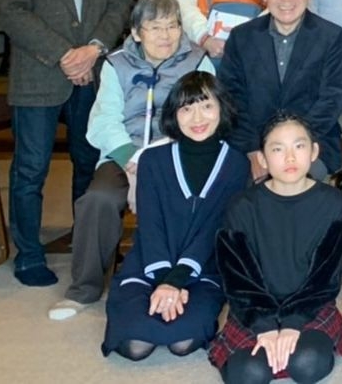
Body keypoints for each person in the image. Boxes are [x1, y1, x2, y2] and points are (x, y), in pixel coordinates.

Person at [0, 0, 132, 288]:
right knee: (30, 169)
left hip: (93, 73)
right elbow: (12, 10)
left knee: (89, 164)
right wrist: (64, 55)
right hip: (39, 74)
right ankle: (29, 255)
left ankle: (85, 249)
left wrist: (93, 49)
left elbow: (120, 3)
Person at [52, 0, 211, 320]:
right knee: (98, 199)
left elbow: (208, 117)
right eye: (155, 27)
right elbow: (103, 120)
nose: (165, 36)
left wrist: (158, 161)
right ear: (137, 32)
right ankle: (83, 290)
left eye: (172, 26)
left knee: (191, 201)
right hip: (124, 152)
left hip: (178, 154)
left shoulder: (198, 61)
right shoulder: (117, 63)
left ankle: (180, 281)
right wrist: (133, 161)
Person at [101, 71, 250, 362]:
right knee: (135, 346)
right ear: (174, 114)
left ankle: (182, 299)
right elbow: (150, 226)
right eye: (186, 108)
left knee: (183, 342)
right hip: (148, 264)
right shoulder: (152, 160)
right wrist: (163, 282)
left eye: (207, 106)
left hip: (204, 269)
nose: (197, 118)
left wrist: (177, 281)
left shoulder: (236, 164)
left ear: (222, 108)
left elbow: (216, 229)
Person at [209, 114, 342, 383]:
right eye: (278, 149)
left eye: (299, 146)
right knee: (248, 373)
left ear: (314, 151)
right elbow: (237, 278)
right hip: (254, 306)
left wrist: (293, 323)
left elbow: (325, 278)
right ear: (263, 159)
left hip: (310, 304)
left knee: (307, 363)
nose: (290, 157)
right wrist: (263, 325)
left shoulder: (334, 203)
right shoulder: (241, 206)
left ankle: (295, 345)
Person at [216, 0, 342, 183]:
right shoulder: (241, 37)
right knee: (238, 188)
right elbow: (230, 99)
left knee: (296, 187)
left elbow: (332, 100)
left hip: (312, 144)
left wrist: (290, 149)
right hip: (251, 144)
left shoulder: (332, 37)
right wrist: (254, 149)